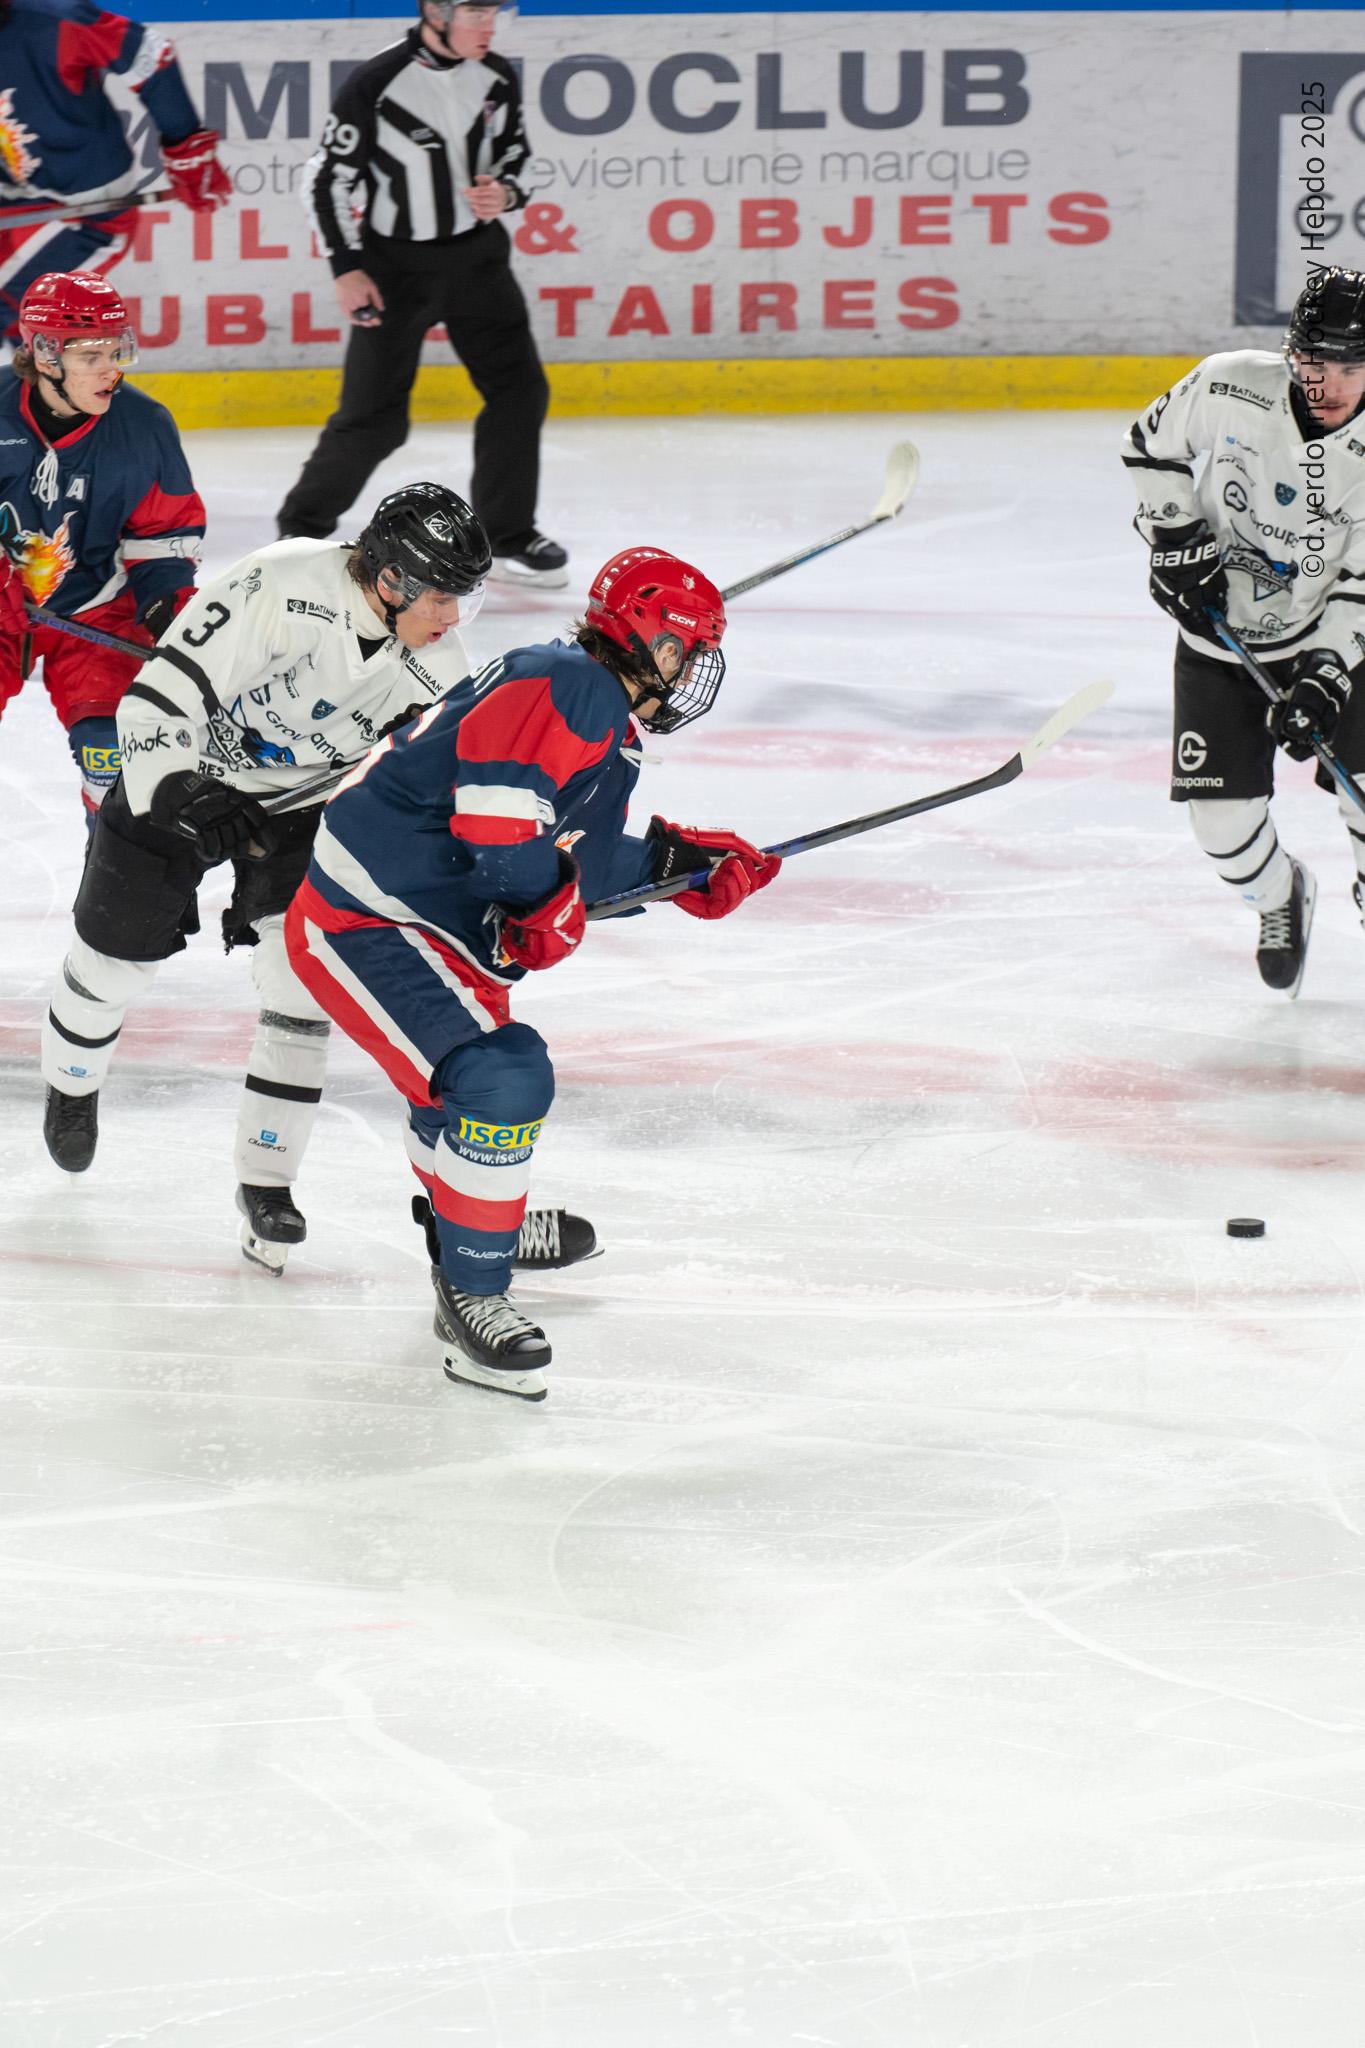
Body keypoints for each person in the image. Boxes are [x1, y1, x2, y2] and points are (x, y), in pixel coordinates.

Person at [284, 546, 782, 1403]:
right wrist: (545, 902)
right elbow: (501, 829)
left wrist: (680, 866)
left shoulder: (579, 699)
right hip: (369, 919)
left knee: (461, 1083)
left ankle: (478, 1225)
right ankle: (473, 1290)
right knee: (500, 1077)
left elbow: (559, 849)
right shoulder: (573, 686)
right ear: (646, 638)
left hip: (423, 922)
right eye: (683, 650)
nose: (689, 670)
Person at [1125, 264, 1365, 997]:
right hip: (1216, 641)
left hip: (1335, 639)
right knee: (1221, 831)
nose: (1327, 384)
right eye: (1313, 361)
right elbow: (1148, 447)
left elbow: (1361, 587)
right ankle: (1278, 897)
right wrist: (1175, 541)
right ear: (1290, 352)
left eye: (1350, 366)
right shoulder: (1227, 382)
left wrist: (1325, 674)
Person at [277, 0, 567, 590]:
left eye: (496, 14)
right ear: (434, 12)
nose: (488, 28)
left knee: (520, 391)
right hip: (394, 269)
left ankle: (509, 534)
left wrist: (507, 192)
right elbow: (326, 177)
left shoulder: (497, 75)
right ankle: (299, 533)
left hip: (478, 260)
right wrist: (346, 266)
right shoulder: (377, 82)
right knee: (375, 420)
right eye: (475, 14)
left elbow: (518, 155)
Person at [0, 269, 203, 820]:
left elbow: (164, 536)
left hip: (95, 610)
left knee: (114, 756)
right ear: (44, 353)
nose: (110, 370)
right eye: (91, 356)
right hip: (2, 612)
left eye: (116, 351)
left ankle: (114, 895)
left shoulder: (144, 427)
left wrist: (167, 611)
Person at [0, 0, 230, 341]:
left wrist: (188, 153)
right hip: (12, 202)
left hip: (88, 218)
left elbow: (150, 53)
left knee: (13, 313)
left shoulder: (56, 20)